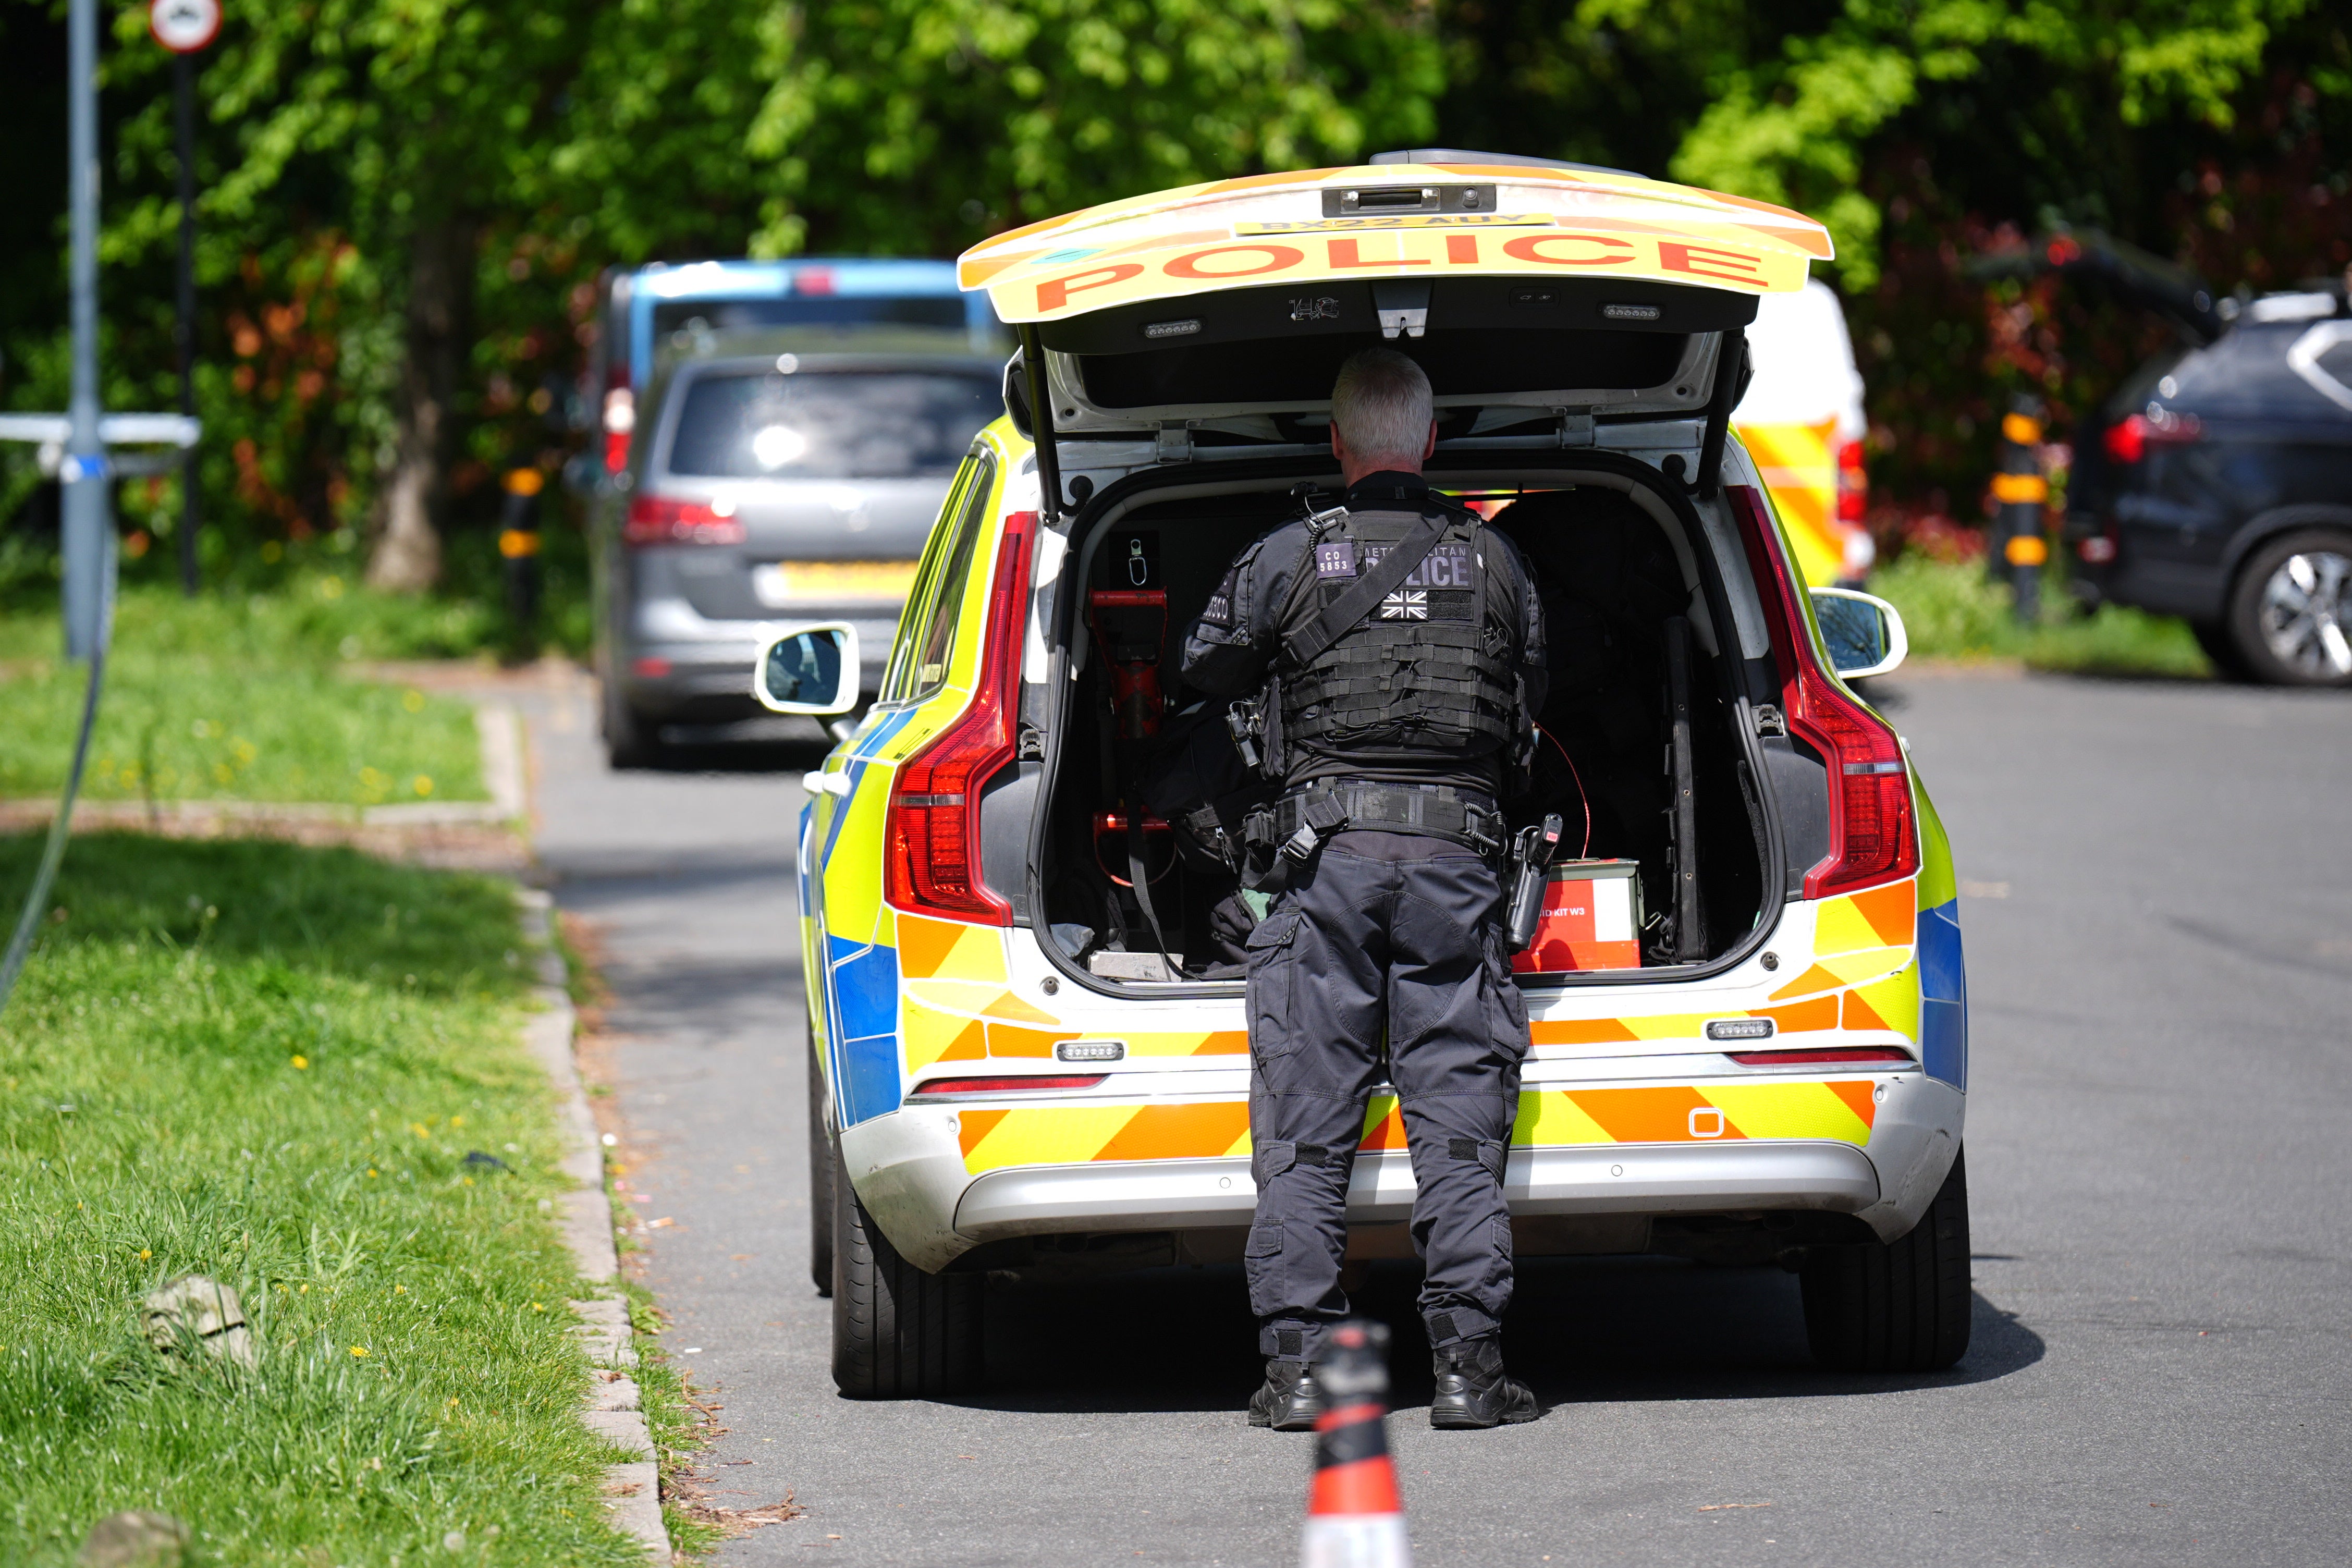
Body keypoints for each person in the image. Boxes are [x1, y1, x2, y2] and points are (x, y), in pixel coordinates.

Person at [1179, 347, 1548, 1430]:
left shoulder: (1287, 557)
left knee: (1304, 1121)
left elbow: (1205, 668)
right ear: (1431, 442)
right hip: (1458, 870)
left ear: (1337, 445)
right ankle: (1471, 1372)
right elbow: (1533, 706)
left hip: (1325, 868)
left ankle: (1299, 1371)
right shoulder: (1501, 563)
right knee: (1460, 1118)